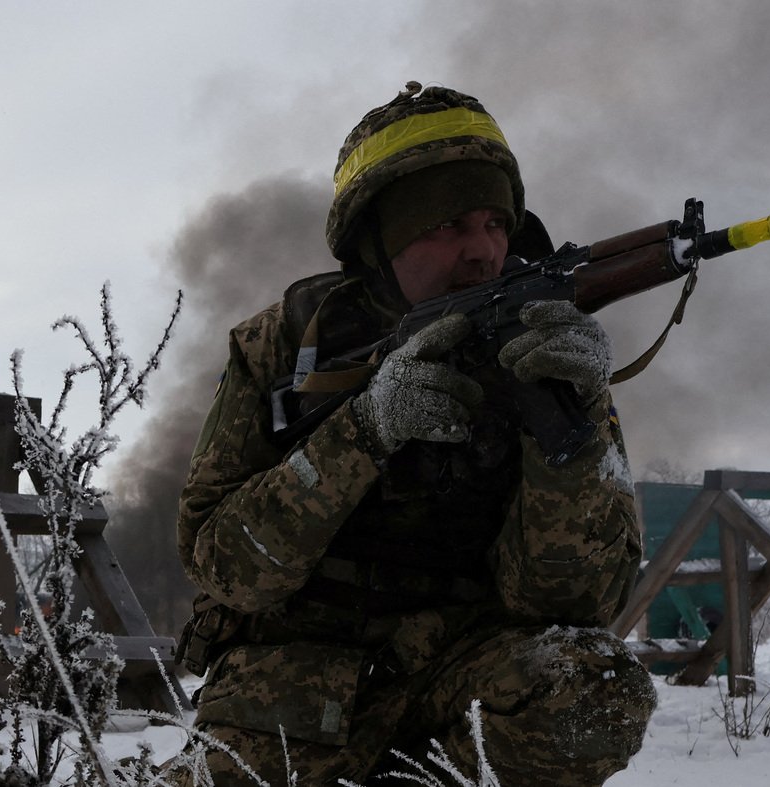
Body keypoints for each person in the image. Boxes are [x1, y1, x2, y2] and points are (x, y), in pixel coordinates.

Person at [172, 83, 656, 785]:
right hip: (293, 693)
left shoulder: (546, 350)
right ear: (378, 237)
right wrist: (364, 431)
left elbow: (576, 606)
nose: (482, 252)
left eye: (496, 223)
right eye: (448, 224)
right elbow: (224, 568)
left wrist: (571, 437)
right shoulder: (282, 346)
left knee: (597, 687)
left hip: (462, 680)